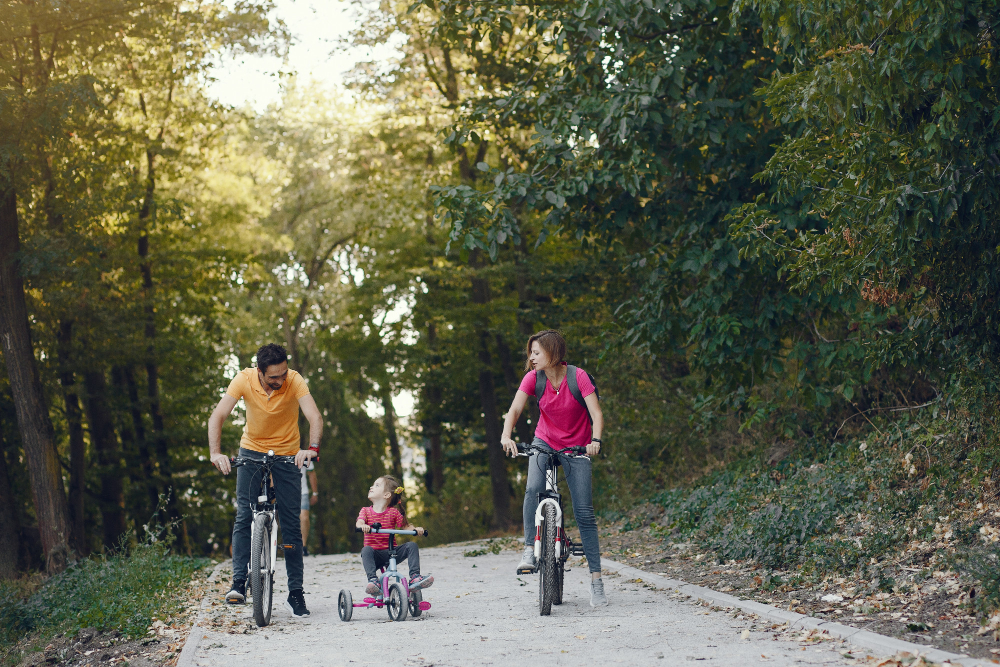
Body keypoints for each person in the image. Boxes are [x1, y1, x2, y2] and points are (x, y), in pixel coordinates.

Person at [208, 343, 322, 618]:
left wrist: (312, 448)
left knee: (291, 523)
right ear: (260, 372)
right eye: (274, 377)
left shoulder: (294, 380)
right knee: (244, 516)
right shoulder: (243, 379)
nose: (281, 380)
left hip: (288, 454)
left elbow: (314, 416)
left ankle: (295, 593)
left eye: (283, 374)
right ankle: (238, 583)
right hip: (251, 451)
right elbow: (218, 415)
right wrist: (215, 453)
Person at [500, 329, 609, 607]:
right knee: (533, 488)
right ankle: (529, 548)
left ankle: (596, 581)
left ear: (553, 352)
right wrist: (506, 435)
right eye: (531, 353)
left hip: (577, 446)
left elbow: (596, 413)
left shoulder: (578, 377)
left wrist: (595, 440)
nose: (531, 358)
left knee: (584, 512)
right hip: (545, 441)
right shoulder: (533, 379)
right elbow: (514, 410)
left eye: (536, 352)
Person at [355, 475, 434, 596]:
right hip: (375, 556)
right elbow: (359, 522)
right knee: (366, 550)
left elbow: (406, 526)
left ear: (386, 495)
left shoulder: (393, 512)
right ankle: (373, 581)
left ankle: (415, 577)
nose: (371, 487)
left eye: (377, 485)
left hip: (392, 553)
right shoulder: (365, 511)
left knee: (412, 546)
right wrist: (363, 526)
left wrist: (415, 530)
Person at [300, 461, 318, 556]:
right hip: (287, 493)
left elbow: (311, 473)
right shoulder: (282, 452)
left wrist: (315, 493)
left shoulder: (305, 455)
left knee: (304, 518)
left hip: (303, 492)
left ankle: (303, 546)